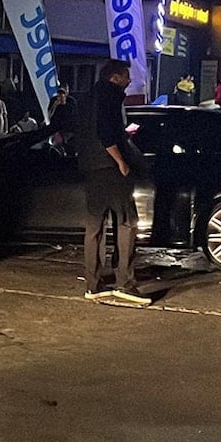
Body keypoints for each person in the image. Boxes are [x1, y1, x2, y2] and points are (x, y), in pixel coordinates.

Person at [74, 59, 152, 306]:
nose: (129, 80)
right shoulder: (110, 96)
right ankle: (125, 284)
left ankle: (93, 284)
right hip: (109, 167)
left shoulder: (87, 98)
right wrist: (121, 161)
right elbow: (106, 132)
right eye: (126, 76)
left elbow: (87, 131)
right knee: (128, 222)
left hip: (90, 168)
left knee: (95, 226)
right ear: (114, 78)